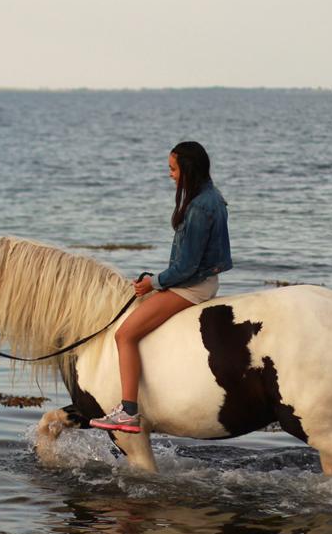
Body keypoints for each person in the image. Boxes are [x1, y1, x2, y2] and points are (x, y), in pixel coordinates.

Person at [90, 141, 232, 434]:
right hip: (197, 280)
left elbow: (187, 267)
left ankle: (128, 410)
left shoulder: (198, 207)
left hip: (192, 287)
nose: (170, 174)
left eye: (173, 169)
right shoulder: (211, 197)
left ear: (187, 170)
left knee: (125, 334)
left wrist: (151, 283)